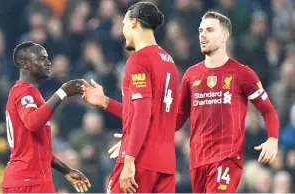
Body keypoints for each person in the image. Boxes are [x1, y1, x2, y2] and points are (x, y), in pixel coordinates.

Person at [109, 11, 280, 193]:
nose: (203, 35)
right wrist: (138, 137)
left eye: (209, 30)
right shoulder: (191, 75)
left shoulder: (242, 74)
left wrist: (272, 138)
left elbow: (268, 111)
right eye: (200, 30)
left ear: (224, 36)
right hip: (197, 161)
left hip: (227, 159)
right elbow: (173, 120)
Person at [82, 2, 179, 193]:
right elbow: (154, 113)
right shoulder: (169, 61)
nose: (123, 30)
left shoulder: (139, 60)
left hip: (142, 161)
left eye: (124, 24)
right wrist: (105, 102)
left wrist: (129, 157)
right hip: (166, 164)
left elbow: (142, 113)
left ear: (134, 22)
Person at [1, 41, 91, 193]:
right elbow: (32, 122)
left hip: (33, 179)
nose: (48, 63)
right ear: (25, 64)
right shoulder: (24, 92)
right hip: (28, 181)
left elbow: (37, 150)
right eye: (41, 58)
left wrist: (66, 170)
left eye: (47, 58)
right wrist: (62, 93)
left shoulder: (31, 93)